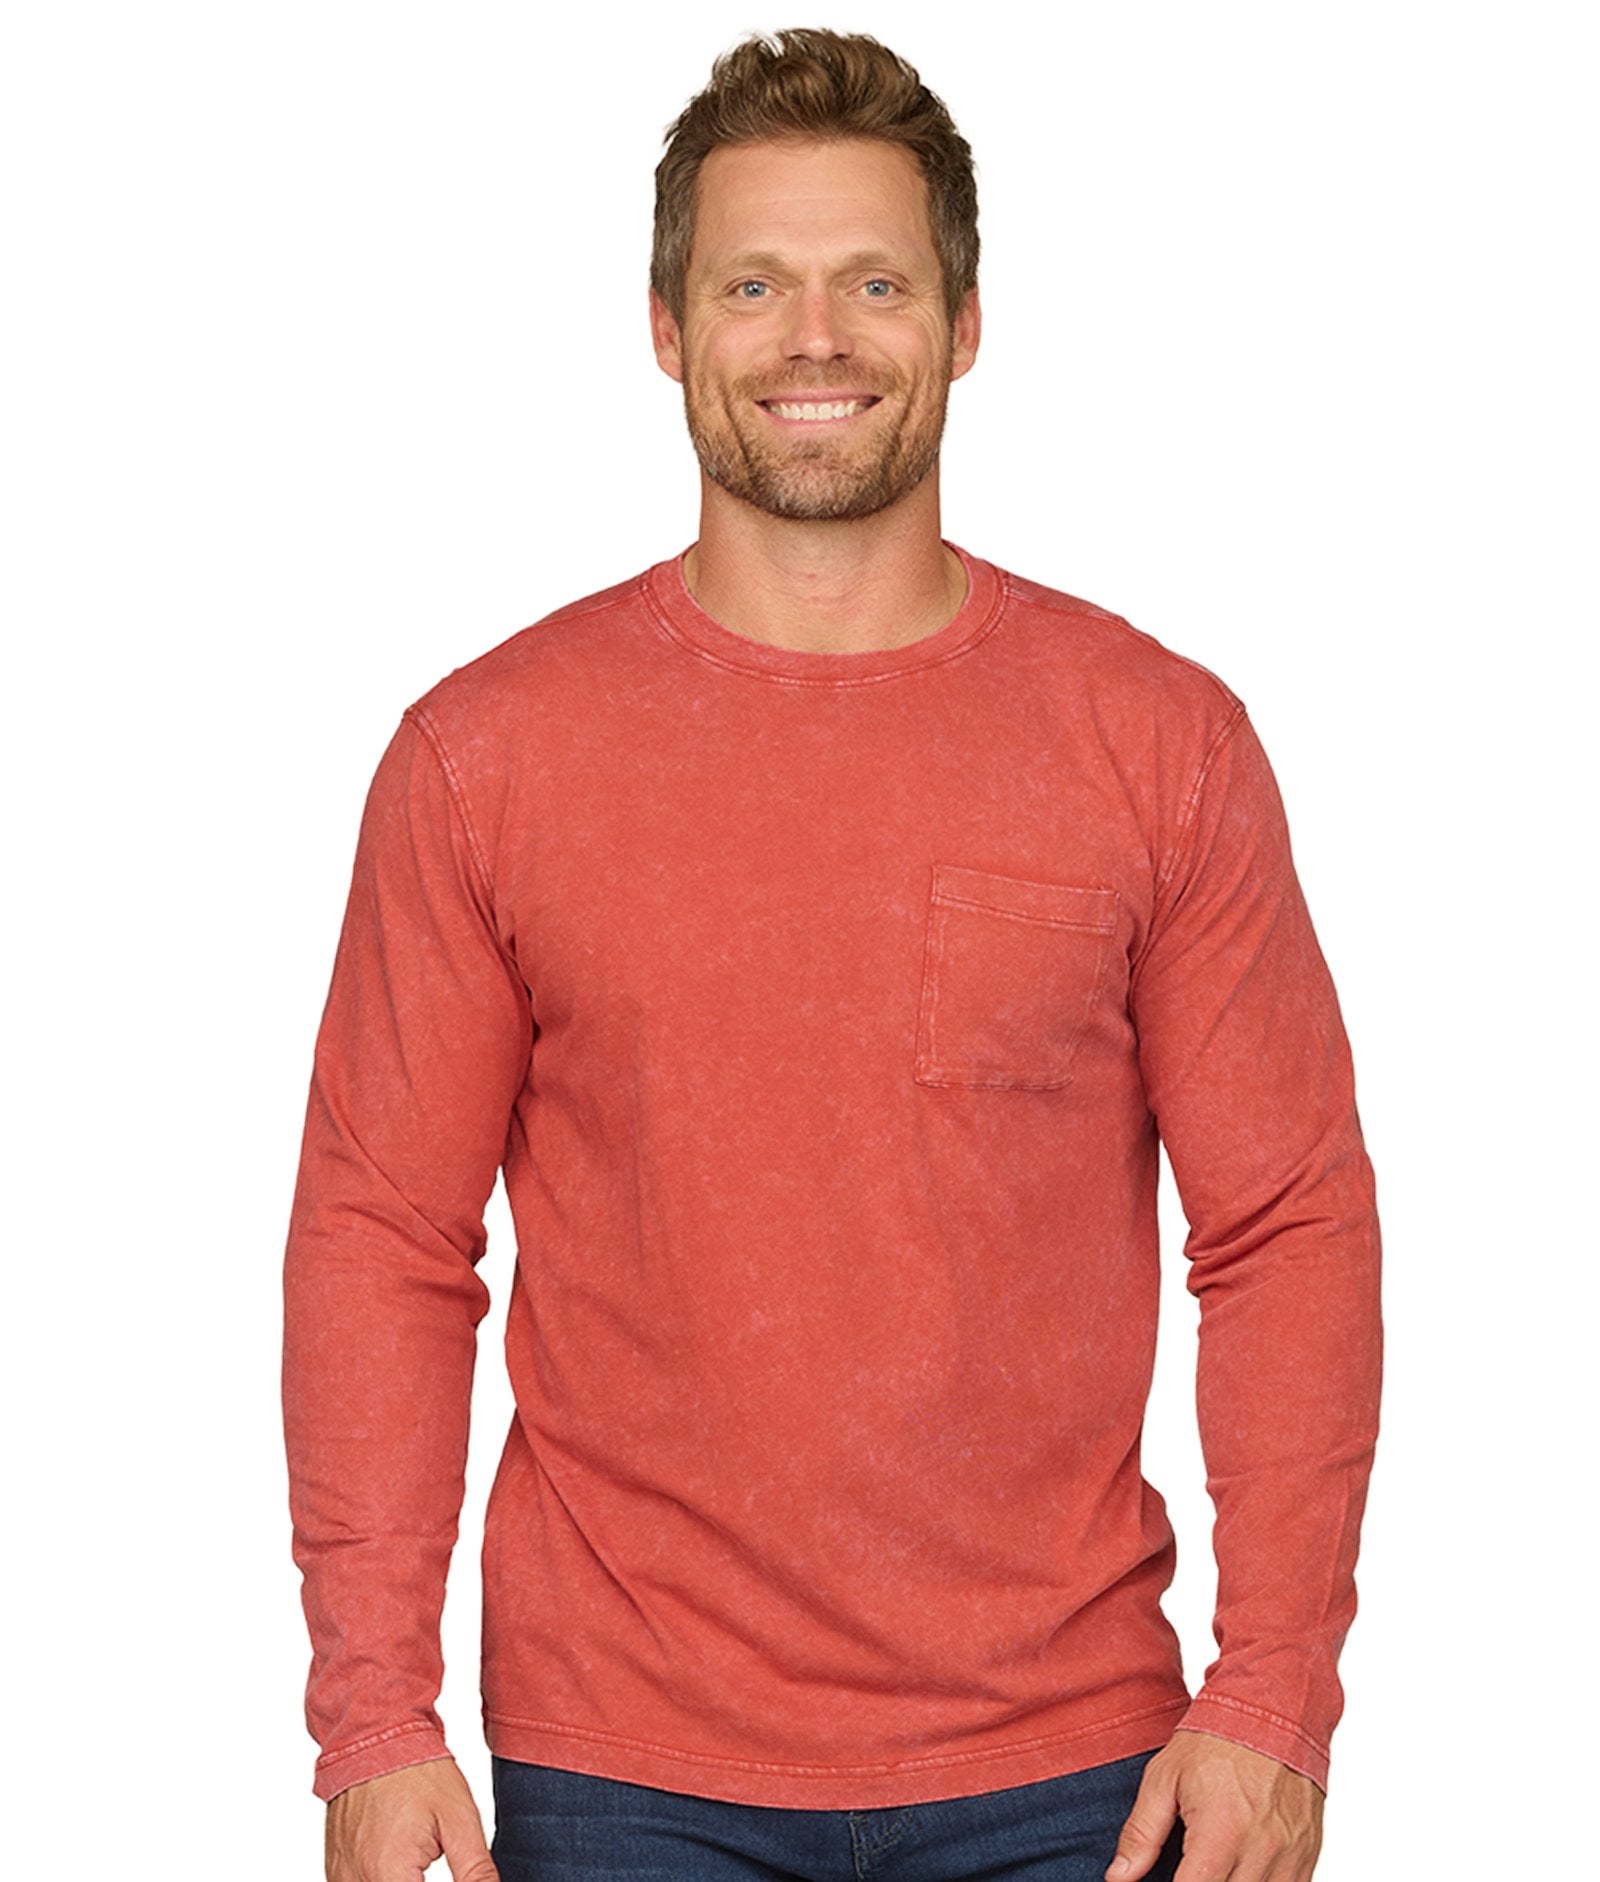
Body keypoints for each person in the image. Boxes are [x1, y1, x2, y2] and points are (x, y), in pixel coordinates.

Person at [283, 28, 1381, 1882]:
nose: (815, 338)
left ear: (964, 323)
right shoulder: (486, 759)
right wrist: (372, 1720)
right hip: (621, 1775)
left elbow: (1286, 1221)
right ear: (665, 327)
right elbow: (382, 1238)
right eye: (753, 284)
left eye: (874, 282)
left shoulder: (1156, 744)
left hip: (1078, 1771)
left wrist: (1276, 1692)